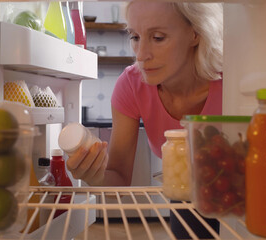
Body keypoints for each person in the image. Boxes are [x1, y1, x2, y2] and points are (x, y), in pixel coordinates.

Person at [66, 1, 223, 239]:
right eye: (135, 37)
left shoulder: (232, 79)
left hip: (243, 190)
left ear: (195, 33)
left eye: (158, 38)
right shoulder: (131, 85)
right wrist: (95, 176)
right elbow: (118, 178)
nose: (140, 55)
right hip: (187, 194)